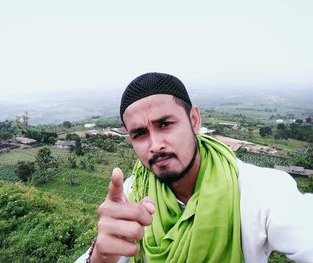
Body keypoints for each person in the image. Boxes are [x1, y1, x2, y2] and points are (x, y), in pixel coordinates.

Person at [76, 72, 313, 263]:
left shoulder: (259, 190)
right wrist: (98, 258)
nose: (155, 145)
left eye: (166, 124)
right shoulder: (133, 193)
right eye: (139, 133)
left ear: (194, 120)